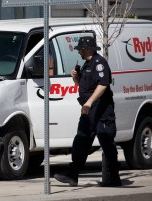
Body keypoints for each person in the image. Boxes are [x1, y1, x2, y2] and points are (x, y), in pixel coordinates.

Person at [54, 36, 122, 187]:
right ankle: (73, 175)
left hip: (101, 109)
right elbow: (85, 87)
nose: (79, 52)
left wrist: (89, 102)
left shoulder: (99, 63)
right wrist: (76, 79)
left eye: (80, 50)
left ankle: (114, 177)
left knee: (107, 142)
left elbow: (103, 84)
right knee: (81, 141)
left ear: (87, 49)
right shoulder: (87, 65)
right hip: (88, 110)